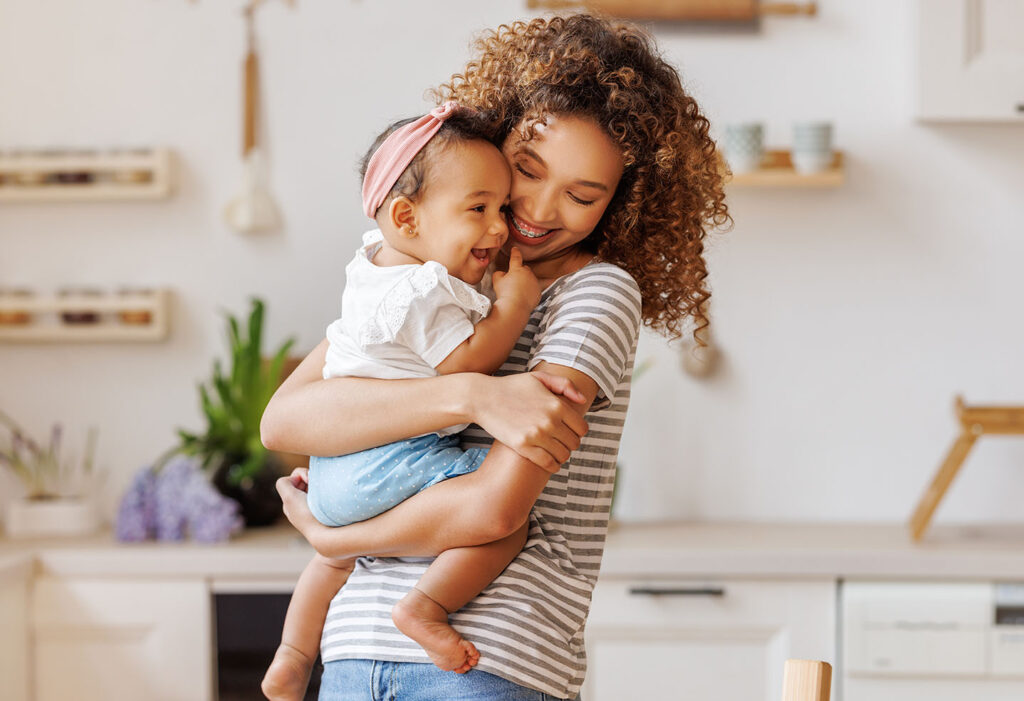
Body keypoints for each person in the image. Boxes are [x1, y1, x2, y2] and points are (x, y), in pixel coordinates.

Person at [261, 13, 730, 701]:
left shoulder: (596, 293)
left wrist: (339, 541)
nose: (538, 209)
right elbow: (286, 421)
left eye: (582, 194)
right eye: (527, 170)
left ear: (620, 204)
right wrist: (472, 395)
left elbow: (491, 511)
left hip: (488, 659)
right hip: (356, 653)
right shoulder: (435, 277)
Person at [262, 104, 546, 700]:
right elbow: (467, 363)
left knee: (333, 561)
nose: (499, 229)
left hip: (335, 472)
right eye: (478, 209)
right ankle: (424, 607)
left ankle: (292, 653)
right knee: (507, 523)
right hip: (389, 463)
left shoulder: (371, 271)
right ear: (405, 217)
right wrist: (514, 306)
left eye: (501, 209)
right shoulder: (423, 290)